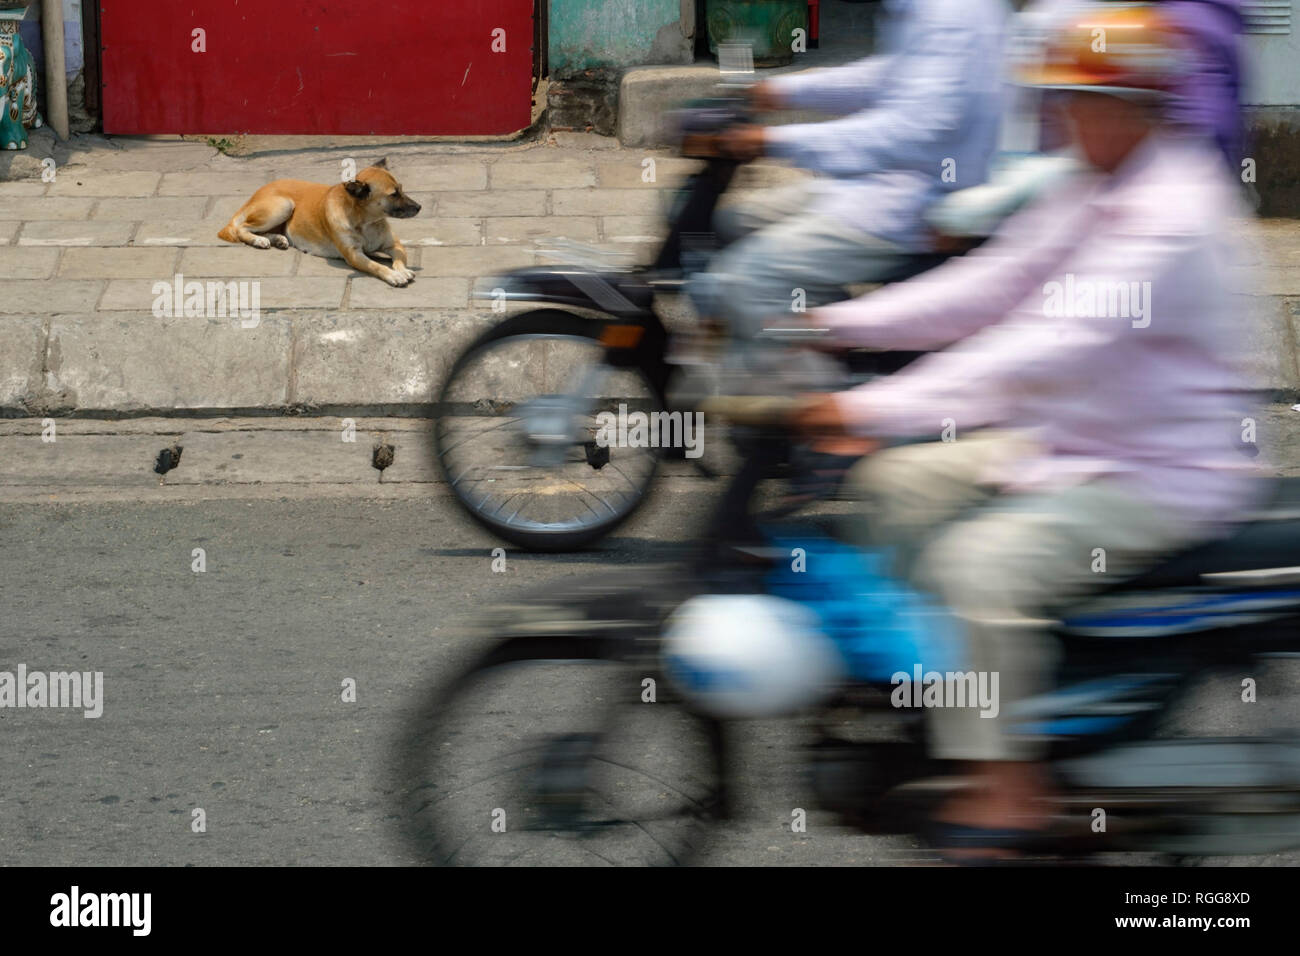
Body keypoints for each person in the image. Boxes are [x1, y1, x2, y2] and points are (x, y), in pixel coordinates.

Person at [792, 2, 1264, 861]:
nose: (1061, 115)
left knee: (978, 566)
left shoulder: (1172, 215)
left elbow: (1042, 346)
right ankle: (952, 707)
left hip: (1157, 473)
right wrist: (832, 326)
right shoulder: (1091, 182)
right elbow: (993, 283)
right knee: (892, 489)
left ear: (1134, 107)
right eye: (1058, 98)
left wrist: (870, 409)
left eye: (1080, 101)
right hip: (1072, 442)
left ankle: (1007, 784)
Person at [691, 0, 1009, 353]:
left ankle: (803, 397)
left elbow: (913, 128)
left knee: (746, 278)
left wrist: (776, 141)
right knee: (733, 221)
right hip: (878, 185)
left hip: (912, 206)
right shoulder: (923, 9)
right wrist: (780, 92)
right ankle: (820, 338)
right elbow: (889, 78)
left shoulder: (952, 14)